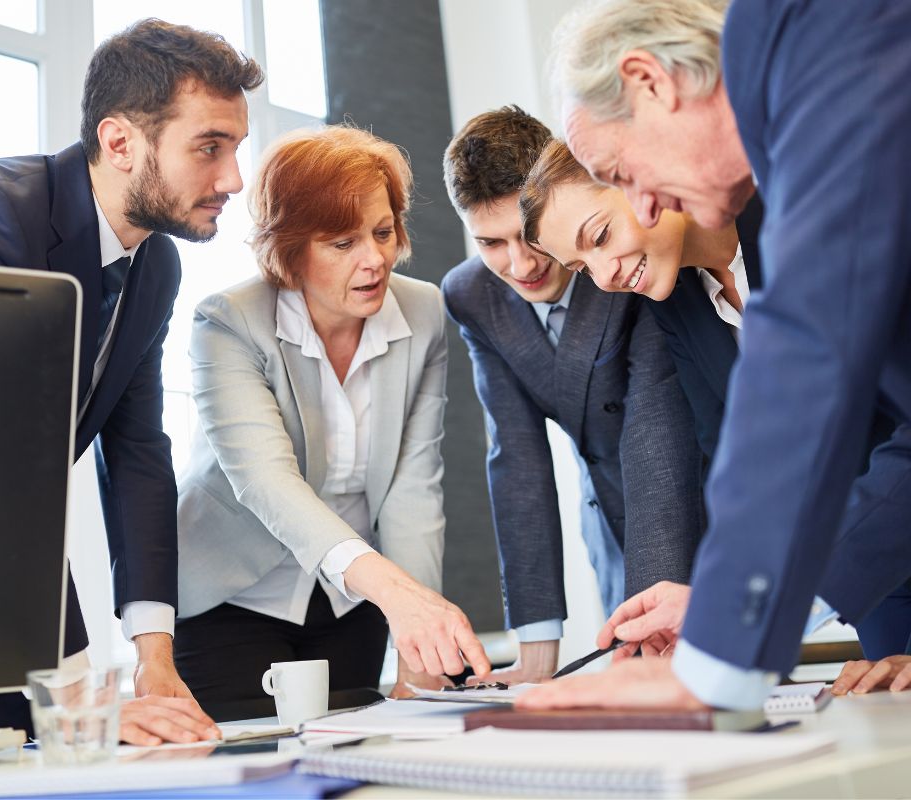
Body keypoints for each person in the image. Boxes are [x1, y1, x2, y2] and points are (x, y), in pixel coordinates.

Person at [516, 0, 911, 712]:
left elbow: (803, 376)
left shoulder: (829, 63)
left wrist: (717, 653)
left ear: (649, 83)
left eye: (619, 171)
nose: (645, 200)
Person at [0, 18, 263, 743]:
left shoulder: (156, 267)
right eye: (209, 148)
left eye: (235, 148)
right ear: (120, 142)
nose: (233, 179)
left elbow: (139, 451)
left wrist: (155, 656)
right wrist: (83, 691)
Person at [172, 126, 492, 710]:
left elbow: (412, 488)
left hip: (353, 603)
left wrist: (416, 638)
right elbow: (267, 482)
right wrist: (395, 593)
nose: (375, 260)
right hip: (232, 592)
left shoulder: (423, 315)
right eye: (342, 243)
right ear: (290, 249)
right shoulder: (228, 321)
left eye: (382, 232)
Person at [439, 107, 703, 683]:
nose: (521, 263)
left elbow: (655, 430)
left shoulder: (621, 262)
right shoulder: (469, 295)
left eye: (527, 235)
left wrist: (652, 614)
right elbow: (516, 459)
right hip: (608, 521)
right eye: (490, 242)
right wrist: (536, 646)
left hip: (693, 499)